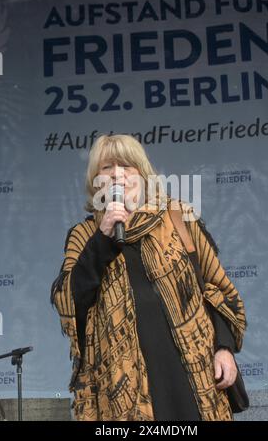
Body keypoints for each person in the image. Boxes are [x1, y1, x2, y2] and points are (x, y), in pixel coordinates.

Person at [50, 134, 246, 421]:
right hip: (121, 387)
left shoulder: (178, 218)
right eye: (107, 168)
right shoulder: (84, 237)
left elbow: (216, 288)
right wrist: (101, 241)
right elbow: (69, 301)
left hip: (192, 375)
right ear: (96, 181)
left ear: (142, 175)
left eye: (126, 166)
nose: (117, 174)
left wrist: (224, 348)